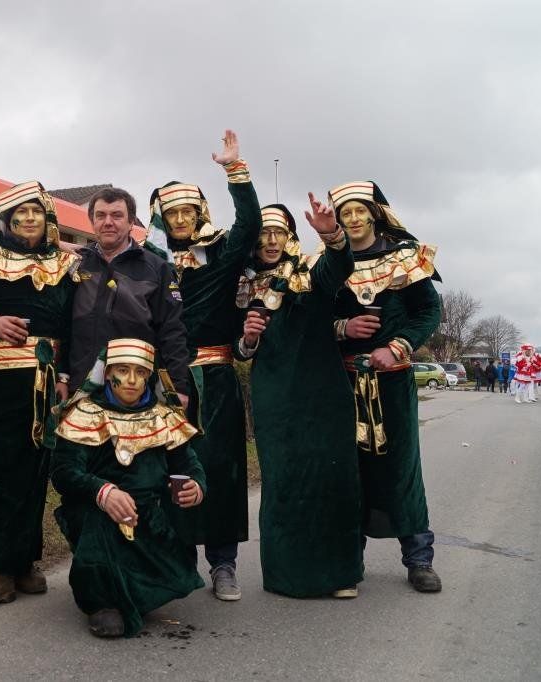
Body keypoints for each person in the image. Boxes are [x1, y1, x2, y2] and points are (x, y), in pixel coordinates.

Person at [143, 129, 260, 601]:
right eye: (172, 213)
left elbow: (250, 224)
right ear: (161, 217)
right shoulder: (146, 263)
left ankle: (223, 563)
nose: (180, 219)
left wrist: (235, 170)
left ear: (200, 214)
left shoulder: (220, 257)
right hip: (160, 380)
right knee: (165, 466)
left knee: (221, 468)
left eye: (187, 211)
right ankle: (176, 560)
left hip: (215, 378)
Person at [0, 181, 79, 613]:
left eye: (35, 211)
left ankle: (22, 560)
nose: (28, 218)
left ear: (47, 218)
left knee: (32, 471)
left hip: (45, 382)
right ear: (4, 220)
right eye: (19, 212)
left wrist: (64, 374)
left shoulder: (66, 265)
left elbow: (72, 327)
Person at [237, 194, 362, 598]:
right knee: (283, 480)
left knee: (332, 477)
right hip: (274, 395)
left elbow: (340, 266)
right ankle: (286, 574)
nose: (271, 241)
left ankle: (340, 575)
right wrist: (248, 339)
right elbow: (239, 348)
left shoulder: (311, 271)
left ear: (290, 236)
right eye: (263, 234)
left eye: (279, 232)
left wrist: (332, 234)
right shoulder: (241, 285)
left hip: (324, 391)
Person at [331, 180, 443, 593]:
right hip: (343, 383)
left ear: (374, 213)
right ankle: (348, 561)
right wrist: (342, 327)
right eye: (345, 213)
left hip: (393, 383)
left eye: (359, 210)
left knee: (401, 467)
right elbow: (309, 318)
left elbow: (429, 310)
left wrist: (397, 346)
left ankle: (419, 559)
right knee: (350, 470)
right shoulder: (329, 262)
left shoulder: (403, 257)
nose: (353, 218)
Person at [50, 339, 205, 638]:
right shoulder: (85, 414)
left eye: (140, 372)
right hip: (98, 514)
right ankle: (101, 602)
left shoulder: (164, 415)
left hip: (149, 512)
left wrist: (196, 486)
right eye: (123, 370)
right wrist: (103, 492)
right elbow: (63, 472)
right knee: (99, 527)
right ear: (108, 372)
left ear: (149, 376)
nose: (132, 380)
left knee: (175, 529)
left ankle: (142, 586)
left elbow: (188, 464)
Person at [69, 188, 190, 404]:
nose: (108, 222)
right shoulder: (76, 264)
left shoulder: (156, 268)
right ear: (92, 221)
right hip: (80, 388)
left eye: (117, 215)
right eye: (100, 215)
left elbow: (172, 331)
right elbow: (61, 325)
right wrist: (63, 377)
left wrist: (179, 387)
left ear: (131, 221)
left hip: (136, 391)